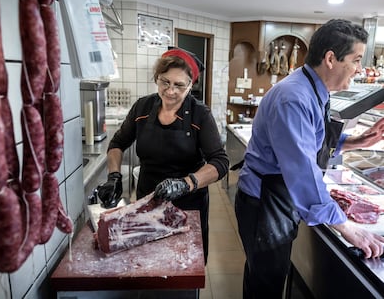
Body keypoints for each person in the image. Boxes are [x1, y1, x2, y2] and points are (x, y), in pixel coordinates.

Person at [234, 19, 384, 298]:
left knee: (263, 274)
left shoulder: (315, 90)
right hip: (265, 203)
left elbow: (312, 140)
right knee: (265, 283)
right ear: (330, 58)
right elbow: (302, 170)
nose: (360, 69)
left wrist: (356, 142)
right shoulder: (294, 97)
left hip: (278, 197)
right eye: (355, 60)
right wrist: (344, 224)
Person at [96, 47, 229, 262]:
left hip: (187, 204)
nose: (170, 91)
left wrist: (186, 183)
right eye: (164, 82)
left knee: (184, 265)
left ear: (191, 85)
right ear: (157, 78)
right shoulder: (142, 107)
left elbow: (220, 162)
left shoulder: (200, 114)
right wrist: (114, 176)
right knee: (150, 261)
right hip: (148, 201)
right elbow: (118, 143)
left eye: (179, 85)